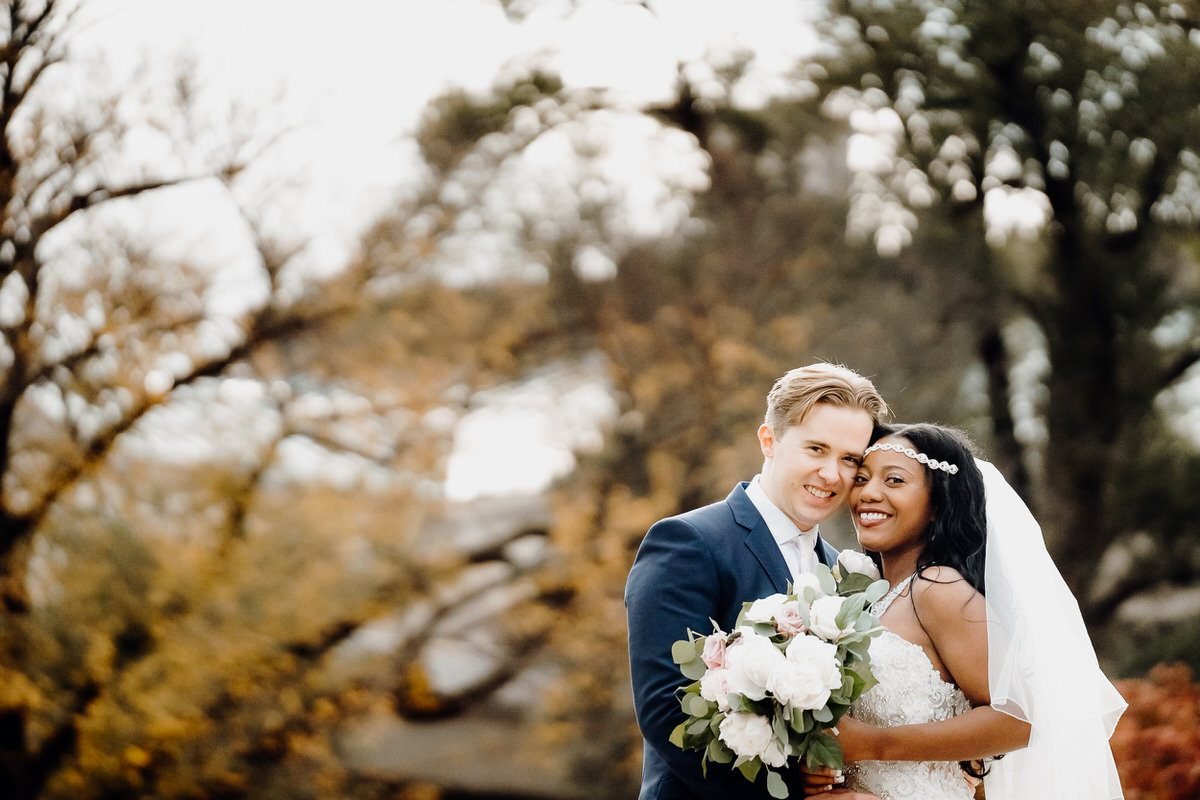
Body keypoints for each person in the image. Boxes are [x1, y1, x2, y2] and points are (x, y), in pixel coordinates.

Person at [806, 423, 1126, 800]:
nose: (868, 493)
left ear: (936, 504)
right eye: (861, 478)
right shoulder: (866, 598)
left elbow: (1020, 717)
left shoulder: (936, 588)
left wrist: (875, 744)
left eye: (894, 480)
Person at [625, 362, 889, 799]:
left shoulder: (846, 571)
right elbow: (665, 714)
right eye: (816, 449)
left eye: (849, 460)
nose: (831, 474)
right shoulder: (687, 542)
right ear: (769, 440)